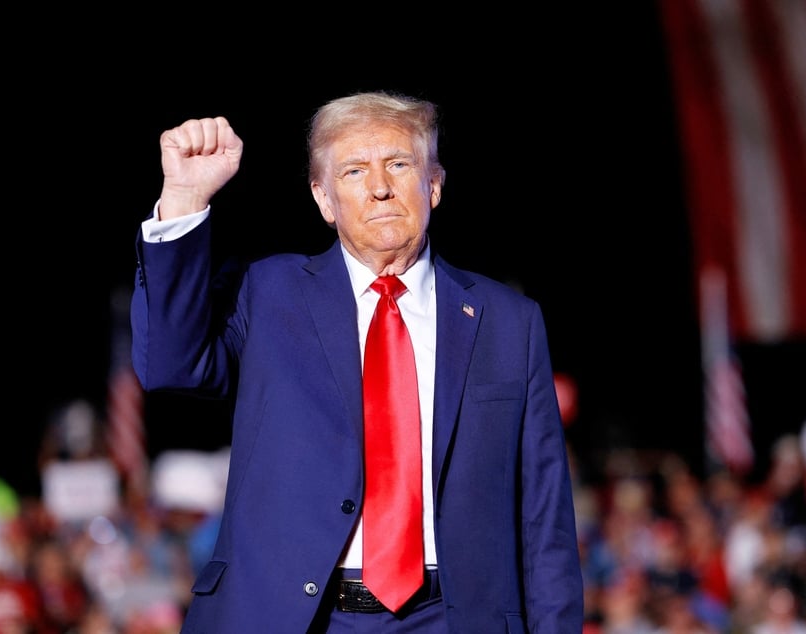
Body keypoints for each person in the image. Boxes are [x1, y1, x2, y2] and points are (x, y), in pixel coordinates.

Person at [129, 91, 584, 633]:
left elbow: (544, 518)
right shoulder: (269, 292)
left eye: (398, 163)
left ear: (433, 184)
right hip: (298, 618)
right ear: (323, 199)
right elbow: (170, 364)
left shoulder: (509, 321)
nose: (379, 186)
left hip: (455, 618)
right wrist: (182, 199)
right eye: (353, 170)